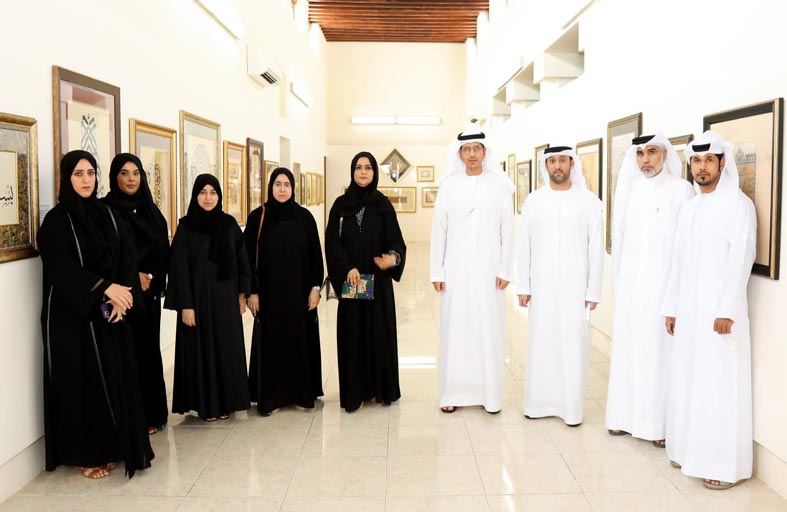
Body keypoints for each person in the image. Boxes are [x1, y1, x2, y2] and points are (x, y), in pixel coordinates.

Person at [38, 150, 154, 479]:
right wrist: (106, 289)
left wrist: (122, 297)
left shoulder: (108, 215)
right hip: (71, 319)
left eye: (90, 173)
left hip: (110, 313)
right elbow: (62, 269)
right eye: (78, 174)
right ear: (66, 178)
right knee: (82, 384)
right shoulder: (56, 221)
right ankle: (84, 455)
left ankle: (111, 447)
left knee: (113, 380)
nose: (86, 180)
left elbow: (127, 256)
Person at [662, 131, 756, 490]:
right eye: (697, 161)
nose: (702, 167)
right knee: (689, 380)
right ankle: (688, 451)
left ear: (722, 163)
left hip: (720, 315)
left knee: (719, 386)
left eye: (709, 161)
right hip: (688, 311)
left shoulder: (738, 205)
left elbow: (741, 258)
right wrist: (671, 306)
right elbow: (678, 262)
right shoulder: (691, 207)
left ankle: (723, 465)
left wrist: (727, 310)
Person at [605, 133, 695, 446]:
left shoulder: (681, 190)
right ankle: (622, 418)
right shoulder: (629, 190)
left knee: (659, 355)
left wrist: (676, 296)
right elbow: (620, 239)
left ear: (665, 155)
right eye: (641, 153)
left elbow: (685, 247)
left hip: (663, 289)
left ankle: (658, 426)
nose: (646, 160)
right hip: (631, 287)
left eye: (652, 152)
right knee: (630, 351)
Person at [516, 146, 604, 426]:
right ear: (546, 165)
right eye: (552, 161)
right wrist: (523, 286)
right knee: (541, 343)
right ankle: (537, 404)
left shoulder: (589, 202)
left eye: (562, 160)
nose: (557, 165)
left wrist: (593, 290)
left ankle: (571, 410)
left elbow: (596, 250)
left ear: (571, 164)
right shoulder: (534, 201)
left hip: (575, 287)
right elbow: (524, 245)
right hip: (541, 286)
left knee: (573, 346)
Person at [430, 130, 515, 414]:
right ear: (459, 154)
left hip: (490, 272)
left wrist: (505, 268)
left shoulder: (500, 185)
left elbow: (507, 229)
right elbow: (439, 230)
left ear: (484, 151)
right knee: (455, 330)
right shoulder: (448, 186)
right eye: (466, 149)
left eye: (476, 148)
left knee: (488, 330)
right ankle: (452, 393)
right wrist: (437, 271)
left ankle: (489, 396)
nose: (472, 154)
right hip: (455, 270)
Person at [165, 174, 251, 421]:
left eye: (213, 192)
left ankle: (226, 403)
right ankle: (205, 406)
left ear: (219, 196)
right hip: (198, 304)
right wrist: (186, 305)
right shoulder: (186, 229)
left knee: (226, 352)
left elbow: (242, 262)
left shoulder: (229, 225)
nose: (208, 197)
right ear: (195, 196)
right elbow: (179, 270)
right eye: (202, 192)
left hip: (226, 303)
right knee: (201, 353)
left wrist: (242, 294)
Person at [325, 151, 406, 412]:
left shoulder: (383, 205)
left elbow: (396, 241)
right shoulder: (340, 205)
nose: (363, 172)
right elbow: (332, 243)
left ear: (374, 172)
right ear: (352, 171)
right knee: (354, 334)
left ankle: (377, 390)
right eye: (358, 167)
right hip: (354, 281)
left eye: (368, 168)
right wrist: (346, 267)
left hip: (378, 282)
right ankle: (355, 393)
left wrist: (391, 259)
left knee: (377, 334)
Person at [244, 168, 324, 416]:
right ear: (270, 187)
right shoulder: (258, 218)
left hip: (300, 296)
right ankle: (272, 397)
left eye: (286, 184)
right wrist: (252, 292)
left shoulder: (305, 218)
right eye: (277, 184)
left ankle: (302, 394)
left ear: (293, 188)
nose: (282, 189)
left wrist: (315, 288)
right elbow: (247, 259)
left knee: (300, 342)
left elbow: (316, 256)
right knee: (272, 344)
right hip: (269, 297)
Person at [103, 153, 170, 435]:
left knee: (147, 352)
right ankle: (130, 418)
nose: (131, 179)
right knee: (124, 357)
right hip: (120, 297)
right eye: (124, 173)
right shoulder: (105, 211)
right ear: (114, 177)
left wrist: (150, 276)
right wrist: (133, 276)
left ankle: (152, 414)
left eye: (136, 173)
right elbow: (103, 255)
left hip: (148, 298)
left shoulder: (150, 211)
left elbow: (163, 251)